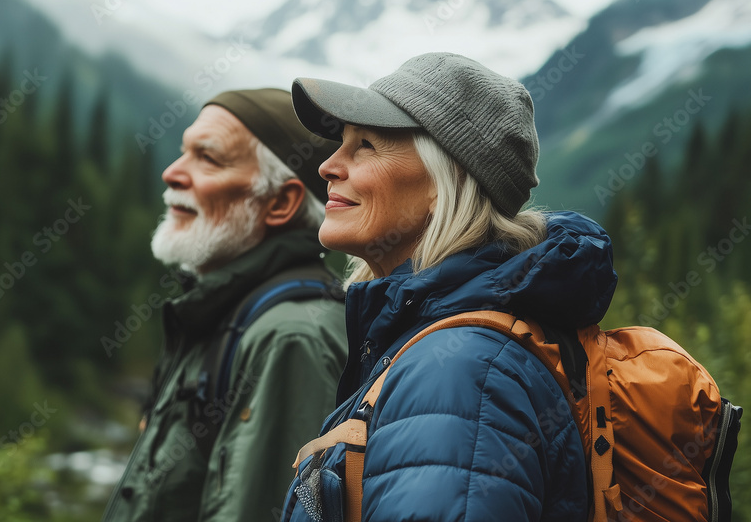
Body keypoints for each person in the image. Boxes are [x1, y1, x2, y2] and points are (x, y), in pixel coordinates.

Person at [280, 53, 609, 521]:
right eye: (341, 144)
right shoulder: (430, 345)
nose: (329, 165)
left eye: (367, 145)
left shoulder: (459, 372)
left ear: (445, 181)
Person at [103, 88, 349, 522]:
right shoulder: (224, 312)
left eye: (208, 158)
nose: (172, 173)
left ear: (280, 202)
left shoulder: (291, 337)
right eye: (182, 153)